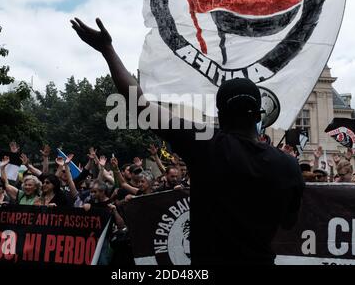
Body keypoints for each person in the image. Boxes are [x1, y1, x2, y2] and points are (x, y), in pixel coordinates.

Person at [71, 17, 304, 265]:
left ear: (220, 115)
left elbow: (140, 105)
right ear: (259, 115)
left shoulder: (204, 144)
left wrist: (107, 49)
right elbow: (289, 223)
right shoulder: (287, 166)